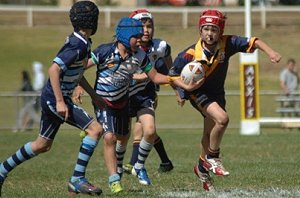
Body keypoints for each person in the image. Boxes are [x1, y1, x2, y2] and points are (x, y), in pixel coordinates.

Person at [73, 17, 202, 193]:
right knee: (109, 138)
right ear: (126, 36)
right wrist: (82, 88)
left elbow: (155, 77)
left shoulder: (139, 56)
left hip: (122, 102)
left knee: (123, 138)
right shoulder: (104, 52)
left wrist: (179, 81)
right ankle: (114, 180)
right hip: (103, 103)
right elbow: (80, 69)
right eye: (137, 36)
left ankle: (111, 158)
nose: (141, 39)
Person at [168, 9, 282, 192]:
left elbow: (254, 41)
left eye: (214, 29)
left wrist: (271, 52)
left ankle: (202, 169)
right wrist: (182, 91)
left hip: (217, 94)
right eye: (205, 29)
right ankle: (213, 157)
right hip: (199, 93)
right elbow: (172, 75)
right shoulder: (189, 54)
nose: (209, 33)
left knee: (209, 133)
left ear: (220, 30)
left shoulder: (227, 43)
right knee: (222, 119)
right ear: (200, 30)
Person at [0, 1, 104, 196]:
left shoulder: (83, 42)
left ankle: (1, 171)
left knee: (42, 145)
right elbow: (54, 69)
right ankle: (77, 179)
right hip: (56, 98)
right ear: (92, 21)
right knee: (95, 129)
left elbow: (78, 73)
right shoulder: (78, 44)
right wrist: (59, 101)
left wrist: (93, 95)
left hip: (53, 97)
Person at [122, 9, 174, 177]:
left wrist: (174, 82)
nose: (146, 30)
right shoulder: (123, 47)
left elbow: (168, 60)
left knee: (143, 130)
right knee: (134, 133)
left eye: (149, 26)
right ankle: (166, 162)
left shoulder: (160, 46)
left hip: (146, 95)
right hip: (125, 95)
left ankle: (133, 165)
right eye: (142, 26)